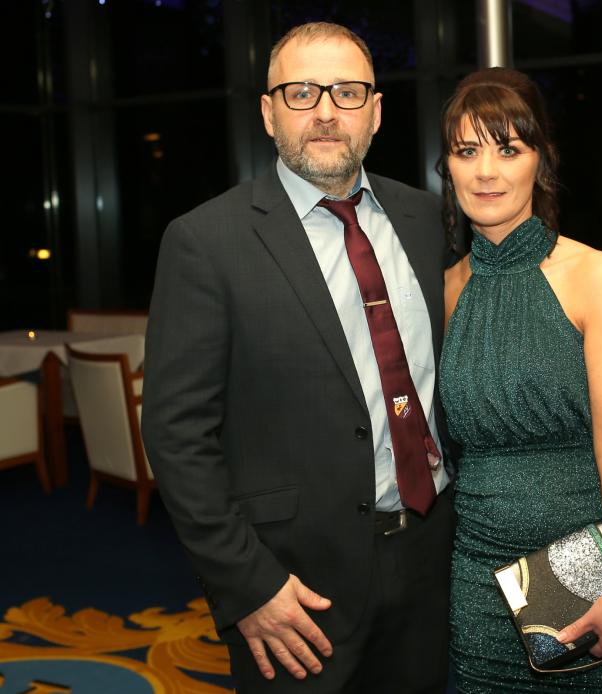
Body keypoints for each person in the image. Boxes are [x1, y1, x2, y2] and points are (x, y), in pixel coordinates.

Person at [141, 22, 454, 694]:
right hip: (293, 586)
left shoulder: (427, 220)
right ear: (267, 111)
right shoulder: (205, 241)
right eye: (300, 92)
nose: (323, 113)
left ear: (374, 113)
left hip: (431, 558)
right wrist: (247, 585)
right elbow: (176, 435)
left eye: (345, 93)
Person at [438, 67, 602, 692]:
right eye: (467, 150)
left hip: (592, 569)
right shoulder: (449, 291)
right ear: (447, 167)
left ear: (541, 161)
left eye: (509, 148)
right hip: (479, 579)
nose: (487, 171)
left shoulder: (595, 275)